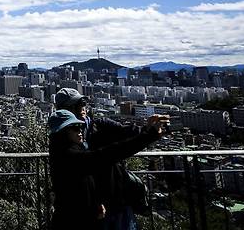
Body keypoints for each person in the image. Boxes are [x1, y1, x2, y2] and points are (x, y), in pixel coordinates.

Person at [55, 88, 167, 229]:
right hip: (90, 207)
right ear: (64, 111)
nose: (82, 108)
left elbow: (128, 135)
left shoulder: (100, 125)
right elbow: (101, 157)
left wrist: (148, 129)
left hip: (116, 200)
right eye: (75, 106)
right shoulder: (63, 139)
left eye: (82, 103)